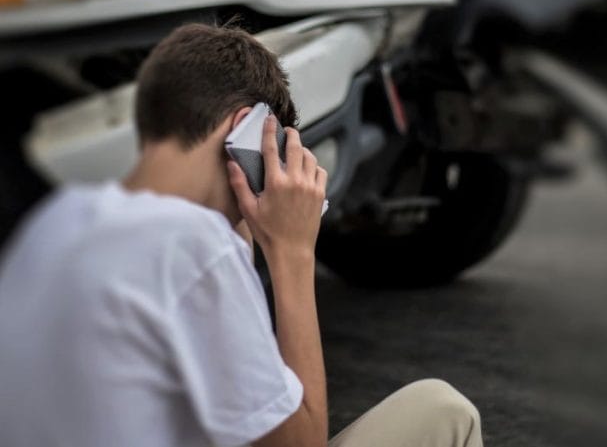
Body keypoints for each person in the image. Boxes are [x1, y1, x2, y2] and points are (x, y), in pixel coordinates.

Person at [0, 22, 483, 447]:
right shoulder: (189, 243)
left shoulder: (59, 221)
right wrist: (294, 251)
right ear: (247, 133)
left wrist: (242, 228)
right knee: (444, 410)